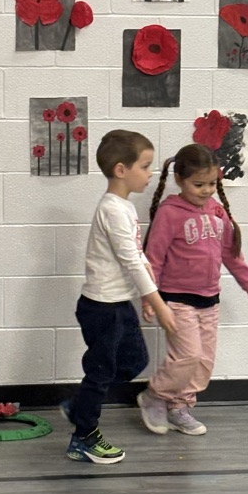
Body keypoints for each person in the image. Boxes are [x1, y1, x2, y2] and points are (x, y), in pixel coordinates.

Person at [62, 129, 177, 464]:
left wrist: (142, 297)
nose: (150, 173)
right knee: (100, 372)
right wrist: (158, 303)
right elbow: (130, 259)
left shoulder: (123, 208)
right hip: (101, 308)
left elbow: (137, 258)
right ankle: (83, 438)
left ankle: (81, 405)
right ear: (121, 170)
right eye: (145, 165)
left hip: (118, 303)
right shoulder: (112, 209)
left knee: (133, 362)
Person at [137, 143, 248, 436]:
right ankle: (155, 395)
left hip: (209, 299)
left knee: (204, 361)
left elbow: (231, 254)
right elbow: (152, 259)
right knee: (187, 355)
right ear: (180, 180)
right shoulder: (169, 213)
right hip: (176, 299)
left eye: (211, 183)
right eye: (198, 184)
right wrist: (149, 298)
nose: (206, 190)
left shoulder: (217, 212)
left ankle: (180, 407)